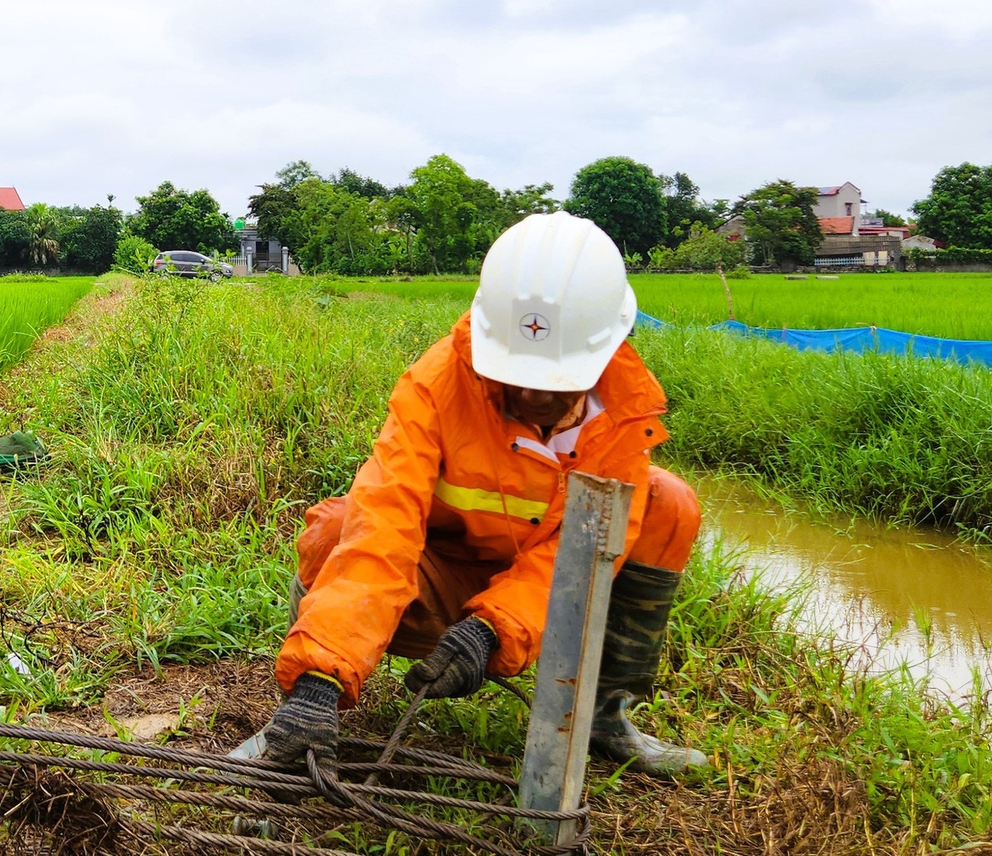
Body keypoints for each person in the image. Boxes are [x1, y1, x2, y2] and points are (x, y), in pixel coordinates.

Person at [254, 212, 707, 777]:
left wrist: (493, 627)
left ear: (606, 349)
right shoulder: (436, 386)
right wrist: (319, 677)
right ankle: (304, 713)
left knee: (669, 505)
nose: (530, 394)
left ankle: (603, 717)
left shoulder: (622, 417)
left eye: (553, 382)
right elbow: (384, 525)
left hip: (562, 599)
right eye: (516, 375)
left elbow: (576, 559)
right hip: (443, 579)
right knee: (335, 529)